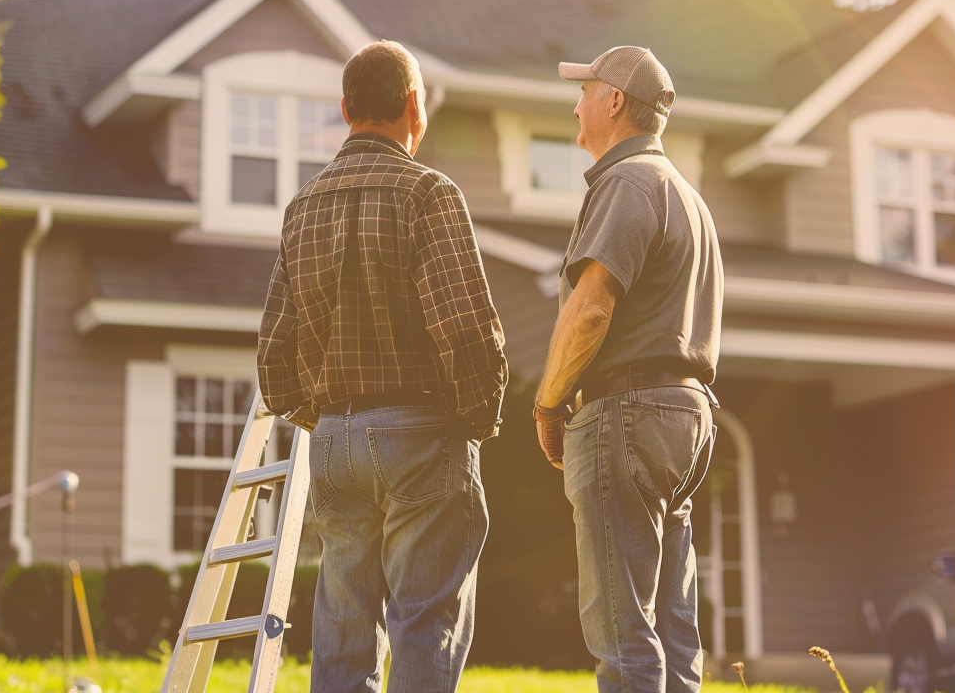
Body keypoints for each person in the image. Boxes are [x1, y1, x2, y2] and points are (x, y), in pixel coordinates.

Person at [257, 40, 508, 693]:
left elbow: (276, 357)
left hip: (334, 438)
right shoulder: (428, 192)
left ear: (345, 108)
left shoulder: (301, 207)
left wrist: (326, 418)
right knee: (424, 618)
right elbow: (468, 329)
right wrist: (475, 423)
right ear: (414, 107)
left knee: (343, 619)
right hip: (423, 429)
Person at [533, 45, 724, 693]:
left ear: (614, 101)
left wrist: (549, 403)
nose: (576, 103)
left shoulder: (626, 181)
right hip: (687, 418)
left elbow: (590, 309)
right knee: (672, 634)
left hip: (627, 414)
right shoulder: (685, 195)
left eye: (585, 90)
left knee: (623, 634)